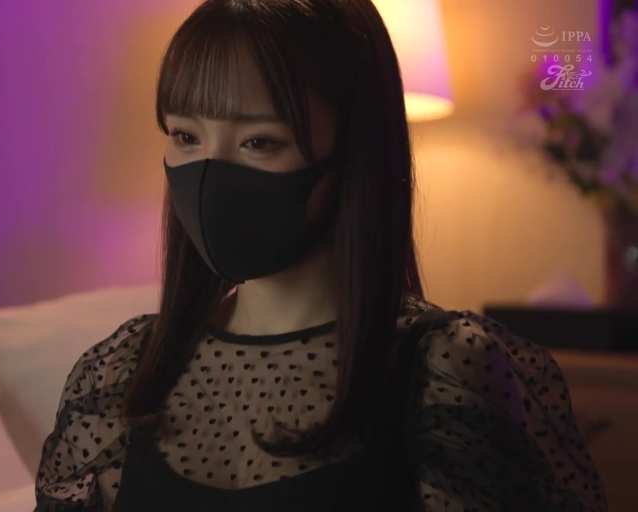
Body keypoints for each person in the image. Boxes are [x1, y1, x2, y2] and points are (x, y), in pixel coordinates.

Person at [34, 0, 608, 510]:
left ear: (353, 154)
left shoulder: (446, 372)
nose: (208, 176)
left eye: (259, 141)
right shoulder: (121, 373)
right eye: (185, 136)